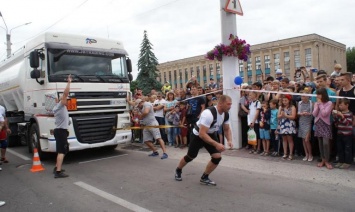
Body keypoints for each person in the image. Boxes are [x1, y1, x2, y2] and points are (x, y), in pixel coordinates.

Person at [174, 95, 233, 186]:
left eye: (231, 104)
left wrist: (229, 140)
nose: (230, 106)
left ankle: (204, 177)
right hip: (198, 135)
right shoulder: (208, 113)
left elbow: (226, 129)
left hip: (211, 134)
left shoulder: (226, 114)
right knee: (191, 156)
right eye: (228, 104)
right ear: (220, 104)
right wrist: (216, 144)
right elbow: (202, 134)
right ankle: (178, 169)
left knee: (217, 157)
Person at [53, 75, 72, 178]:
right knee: (62, 151)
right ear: (61, 100)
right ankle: (58, 172)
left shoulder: (57, 107)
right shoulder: (60, 105)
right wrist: (69, 82)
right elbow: (65, 93)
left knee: (62, 150)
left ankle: (57, 167)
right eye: (65, 99)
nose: (67, 99)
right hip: (61, 131)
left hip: (60, 131)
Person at [313, 88, 333, 169]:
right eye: (317, 94)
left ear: (323, 95)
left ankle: (327, 160)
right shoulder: (316, 103)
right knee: (320, 143)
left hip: (326, 124)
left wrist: (320, 104)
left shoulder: (329, 103)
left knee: (326, 143)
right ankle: (323, 159)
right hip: (318, 123)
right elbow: (314, 114)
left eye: (319, 94)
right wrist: (317, 105)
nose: (317, 96)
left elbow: (325, 114)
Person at [333, 98, 353, 169]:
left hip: (347, 134)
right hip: (340, 133)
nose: (340, 107)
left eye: (341, 105)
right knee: (340, 148)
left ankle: (347, 162)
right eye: (339, 105)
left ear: (347, 105)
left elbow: (347, 123)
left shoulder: (349, 114)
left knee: (347, 148)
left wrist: (342, 116)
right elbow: (336, 124)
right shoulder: (339, 113)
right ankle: (341, 161)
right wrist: (335, 117)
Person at [278, 94, 297, 160]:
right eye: (283, 100)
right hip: (283, 124)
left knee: (290, 139)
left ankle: (291, 153)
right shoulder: (281, 107)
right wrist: (281, 115)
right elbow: (278, 116)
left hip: (289, 125)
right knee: (284, 139)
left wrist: (286, 115)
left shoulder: (292, 107)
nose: (284, 102)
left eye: (286, 100)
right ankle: (285, 153)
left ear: (289, 100)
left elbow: (293, 117)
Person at [297, 90, 313, 162]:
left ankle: (310, 154)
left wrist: (308, 113)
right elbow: (298, 112)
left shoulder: (311, 103)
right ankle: (306, 154)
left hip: (308, 121)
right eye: (301, 96)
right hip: (302, 121)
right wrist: (301, 113)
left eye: (303, 96)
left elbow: (313, 113)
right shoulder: (300, 103)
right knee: (303, 139)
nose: (302, 97)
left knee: (307, 139)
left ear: (307, 96)